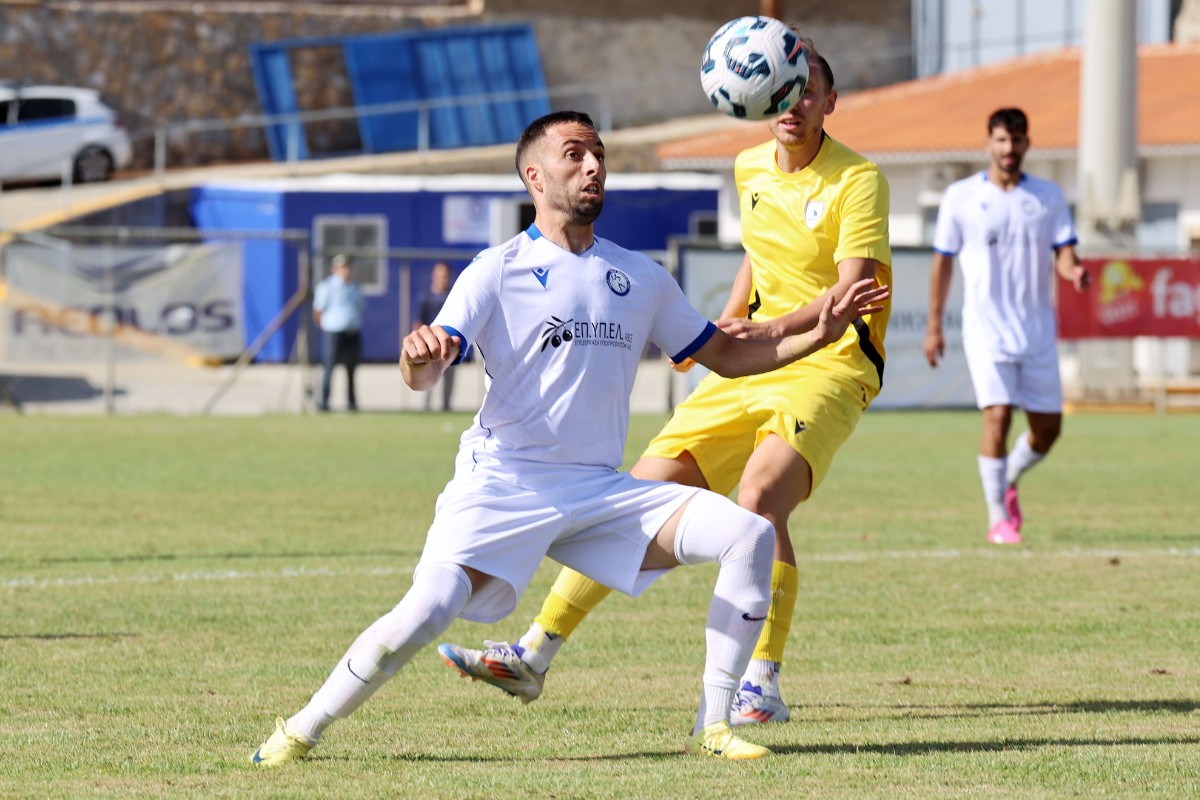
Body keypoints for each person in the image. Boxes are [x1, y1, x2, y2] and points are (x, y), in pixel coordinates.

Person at [250, 110, 887, 766]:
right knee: (427, 611)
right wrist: (418, 355)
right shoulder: (496, 270)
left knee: (748, 534)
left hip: (596, 491)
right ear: (534, 175)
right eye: (575, 155)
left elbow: (726, 354)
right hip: (503, 482)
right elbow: (427, 370)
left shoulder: (640, 276)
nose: (593, 167)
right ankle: (298, 731)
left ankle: (716, 724)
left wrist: (820, 333)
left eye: (600, 155)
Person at [439, 38, 891, 729]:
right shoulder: (748, 167)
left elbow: (849, 291)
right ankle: (534, 653)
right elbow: (757, 257)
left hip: (831, 363)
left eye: (807, 90)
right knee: (635, 494)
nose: (793, 102)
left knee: (761, 495)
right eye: (783, 89)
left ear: (830, 102)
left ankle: (760, 682)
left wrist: (768, 333)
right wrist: (721, 329)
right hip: (753, 358)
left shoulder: (858, 180)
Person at [923, 107, 1089, 545]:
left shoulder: (1049, 197)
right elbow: (942, 264)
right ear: (988, 144)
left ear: (1027, 144)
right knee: (996, 418)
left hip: (1036, 331)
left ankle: (1010, 476)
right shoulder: (959, 197)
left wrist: (1073, 272)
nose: (1008, 149)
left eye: (1015, 141)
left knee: (1048, 430)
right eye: (1000, 140)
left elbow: (1065, 252)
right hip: (985, 331)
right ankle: (998, 518)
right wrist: (934, 325)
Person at [313, 253, 365, 412]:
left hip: (351, 331)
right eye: (341, 267)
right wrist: (325, 326)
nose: (345, 270)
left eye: (347, 267)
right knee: (329, 367)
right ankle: (324, 402)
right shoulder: (326, 286)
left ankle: (351, 403)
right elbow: (318, 310)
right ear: (334, 269)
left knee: (351, 369)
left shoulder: (355, 287)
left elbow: (359, 307)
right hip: (333, 332)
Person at [414, 261, 456, 411]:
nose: (442, 279)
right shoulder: (425, 297)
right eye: (439, 275)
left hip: (449, 345)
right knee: (428, 377)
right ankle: (426, 408)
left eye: (445, 276)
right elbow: (419, 322)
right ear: (433, 276)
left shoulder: (454, 296)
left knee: (449, 378)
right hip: (430, 346)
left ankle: (446, 406)